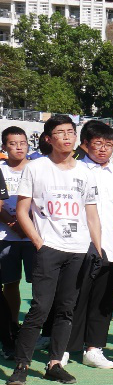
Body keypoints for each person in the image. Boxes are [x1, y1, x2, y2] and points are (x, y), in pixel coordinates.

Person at [7, 115, 102, 385]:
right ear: (48, 139)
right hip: (48, 248)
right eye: (60, 132)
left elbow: (92, 215)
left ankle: (55, 364)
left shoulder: (86, 171)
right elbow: (22, 211)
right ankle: (22, 365)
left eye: (71, 132)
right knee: (40, 308)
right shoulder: (36, 168)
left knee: (66, 309)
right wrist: (39, 243)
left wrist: (97, 249)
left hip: (78, 250)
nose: (67, 137)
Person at [65, 121, 113, 369]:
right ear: (85, 144)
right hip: (79, 246)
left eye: (109, 144)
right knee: (75, 298)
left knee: (104, 300)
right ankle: (66, 347)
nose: (103, 149)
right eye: (98, 144)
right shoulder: (75, 170)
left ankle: (94, 348)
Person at [0, 126, 34, 346]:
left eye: (22, 143)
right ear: (4, 147)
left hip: (33, 237)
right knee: (10, 283)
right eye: (13, 144)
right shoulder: (0, 170)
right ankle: (12, 323)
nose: (19, 147)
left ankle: (35, 327)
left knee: (39, 285)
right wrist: (14, 224)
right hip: (6, 236)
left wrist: (26, 225)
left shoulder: (37, 168)